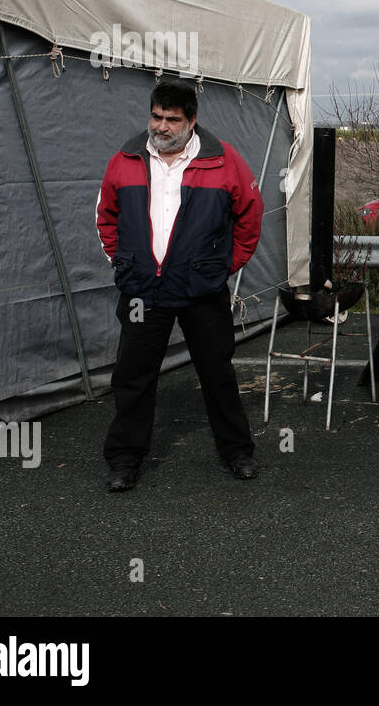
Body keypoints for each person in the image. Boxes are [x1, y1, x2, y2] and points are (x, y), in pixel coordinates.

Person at [96, 80, 263, 492]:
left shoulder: (225, 162)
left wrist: (222, 267)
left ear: (192, 120)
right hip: (143, 291)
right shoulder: (126, 159)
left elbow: (250, 217)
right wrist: (123, 263)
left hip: (200, 290)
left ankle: (237, 452)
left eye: (173, 119)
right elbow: (105, 216)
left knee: (217, 373)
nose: (162, 126)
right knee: (132, 377)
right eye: (157, 116)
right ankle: (124, 460)